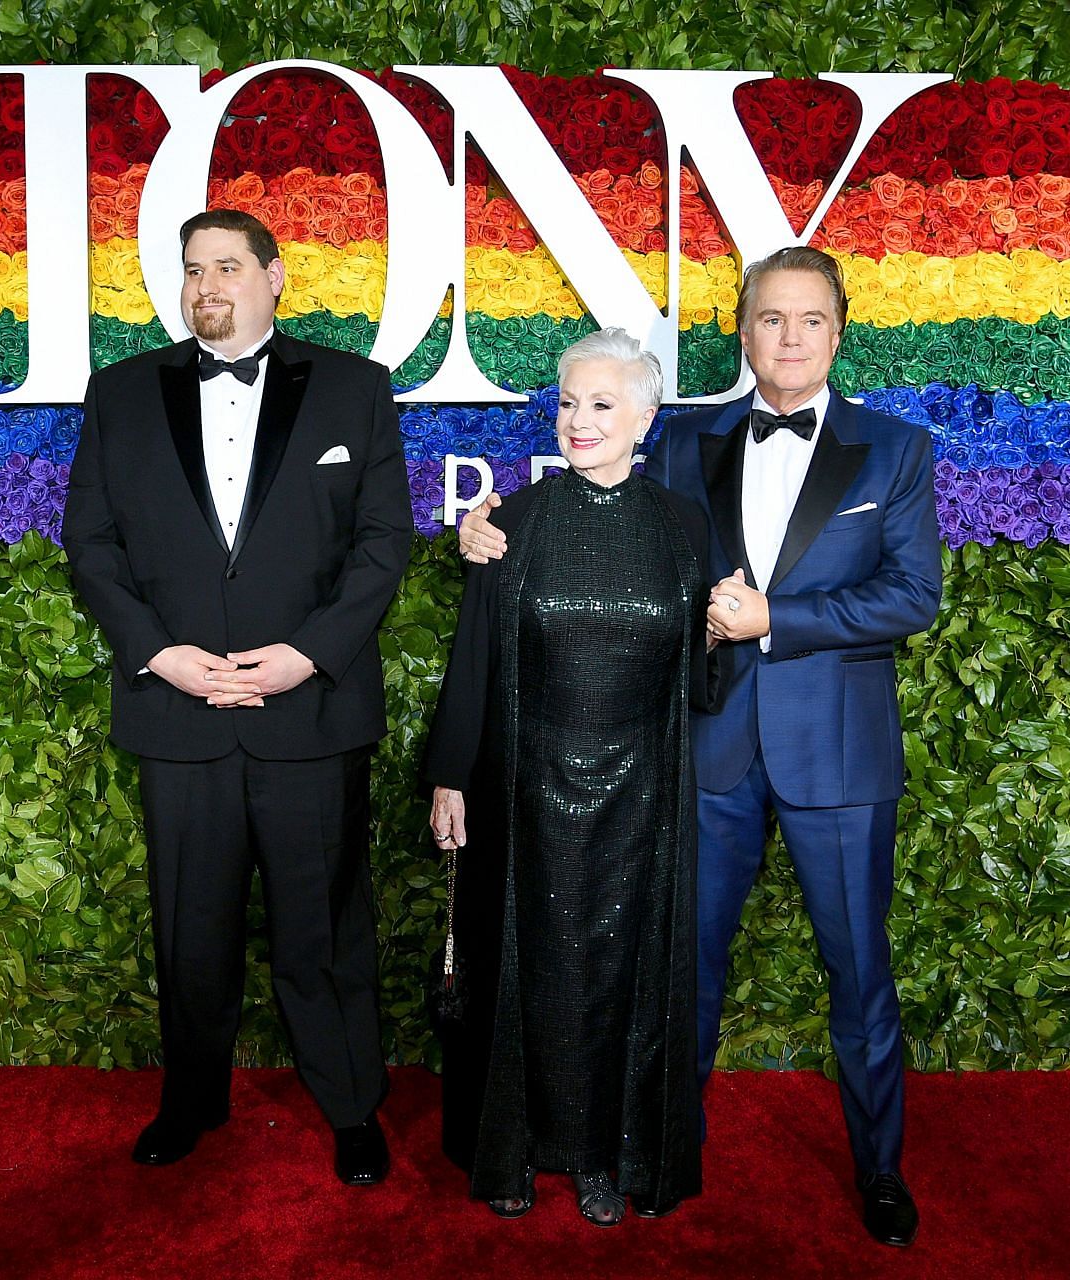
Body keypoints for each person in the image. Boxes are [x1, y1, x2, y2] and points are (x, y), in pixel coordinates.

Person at [459, 246, 942, 1246]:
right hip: (701, 752)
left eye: (810, 320)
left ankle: (882, 1170)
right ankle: (654, 1151)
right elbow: (609, 523)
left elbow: (911, 597)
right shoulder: (685, 445)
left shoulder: (895, 450)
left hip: (838, 758)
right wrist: (484, 530)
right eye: (770, 319)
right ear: (744, 329)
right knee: (681, 973)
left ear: (839, 332)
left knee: (859, 975)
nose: (790, 338)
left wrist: (778, 615)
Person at [61, 208, 412, 1185]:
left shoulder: (354, 388)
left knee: (325, 927)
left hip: (308, 710)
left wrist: (310, 653)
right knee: (191, 928)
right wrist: (156, 653)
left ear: (274, 274)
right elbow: (90, 544)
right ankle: (191, 1100)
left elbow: (385, 541)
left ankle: (350, 1106)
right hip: (179, 712)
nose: (205, 284)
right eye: (191, 269)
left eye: (225, 265)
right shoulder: (122, 393)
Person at [424, 328, 716, 1225]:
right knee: (528, 968)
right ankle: (512, 1148)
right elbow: (473, 660)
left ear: (644, 417)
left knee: (618, 977)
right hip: (525, 790)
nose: (579, 422)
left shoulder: (681, 526)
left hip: (643, 796)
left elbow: (698, 679)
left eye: (600, 404)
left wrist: (725, 631)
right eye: (567, 403)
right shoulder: (514, 522)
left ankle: (602, 1155)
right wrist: (450, 779)